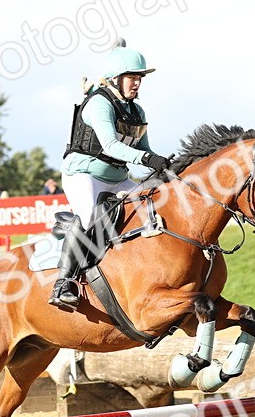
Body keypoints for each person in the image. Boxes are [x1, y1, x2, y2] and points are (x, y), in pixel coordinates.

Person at [49, 39, 170, 308]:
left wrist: (164, 166)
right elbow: (111, 146)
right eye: (132, 78)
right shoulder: (99, 104)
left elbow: (144, 150)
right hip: (84, 175)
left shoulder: (136, 110)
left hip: (118, 179)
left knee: (152, 209)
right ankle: (63, 283)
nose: (137, 83)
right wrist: (147, 159)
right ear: (115, 78)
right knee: (88, 217)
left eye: (139, 78)